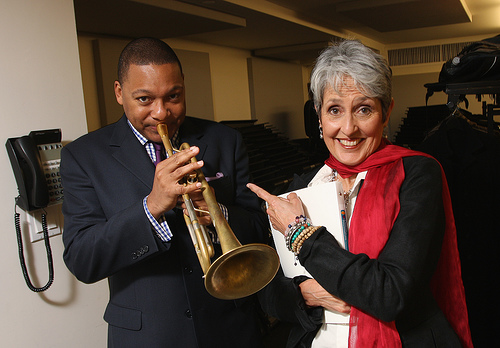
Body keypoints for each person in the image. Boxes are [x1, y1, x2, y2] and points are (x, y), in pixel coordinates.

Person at [248, 40, 473, 347]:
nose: (348, 128)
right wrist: (304, 295)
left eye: (364, 109)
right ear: (319, 115)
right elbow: (269, 295)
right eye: (334, 110)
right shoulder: (302, 185)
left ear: (386, 111)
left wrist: (298, 231)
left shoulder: (417, 175)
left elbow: (390, 294)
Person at [61, 37, 269, 347]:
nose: (162, 113)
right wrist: (151, 208)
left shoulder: (226, 139)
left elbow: (260, 229)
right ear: (119, 93)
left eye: (173, 96)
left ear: (184, 85)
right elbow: (82, 260)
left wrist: (218, 214)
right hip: (148, 336)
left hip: (231, 328)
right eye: (144, 99)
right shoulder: (84, 156)